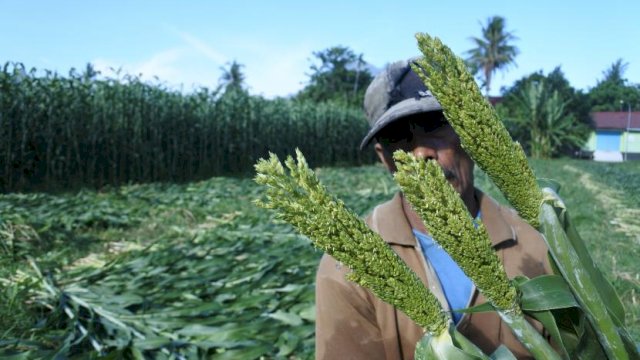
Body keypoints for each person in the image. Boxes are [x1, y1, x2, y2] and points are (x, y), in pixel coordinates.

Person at [315, 58, 551, 359]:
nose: (422, 152)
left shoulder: (537, 243)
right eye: (399, 137)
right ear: (384, 158)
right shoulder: (348, 267)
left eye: (434, 125)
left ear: (471, 134)